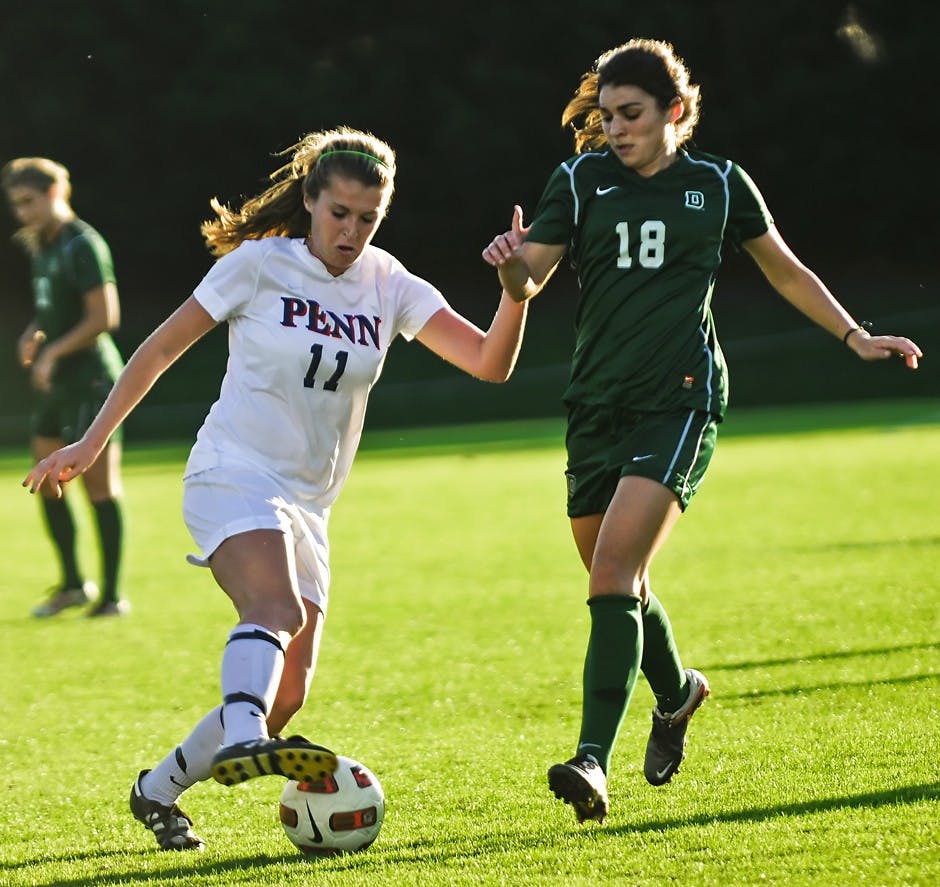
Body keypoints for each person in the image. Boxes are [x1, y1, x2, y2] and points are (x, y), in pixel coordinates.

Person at [24, 126, 527, 850]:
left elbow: (488, 362)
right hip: (232, 469)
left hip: (309, 503)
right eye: (339, 213)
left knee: (287, 692)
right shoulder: (259, 265)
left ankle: (157, 789)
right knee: (274, 610)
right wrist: (91, 441)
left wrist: (517, 294)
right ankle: (244, 735)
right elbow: (159, 349)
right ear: (311, 200)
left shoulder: (390, 283)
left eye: (368, 218)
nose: (351, 231)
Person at [482, 38, 922, 824]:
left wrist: (855, 335)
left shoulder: (718, 184)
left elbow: (784, 267)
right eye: (608, 114)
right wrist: (510, 264)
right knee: (620, 581)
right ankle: (679, 692)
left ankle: (591, 759)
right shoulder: (580, 181)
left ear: (675, 111)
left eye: (632, 113)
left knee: (611, 574)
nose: (616, 127)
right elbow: (531, 276)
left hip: (681, 399)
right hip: (596, 404)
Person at [3, 157, 129, 618]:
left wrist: (53, 352)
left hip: (93, 380)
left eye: (29, 201)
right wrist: (35, 333)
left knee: (99, 485)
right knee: (45, 478)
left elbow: (104, 317)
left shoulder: (82, 244)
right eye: (16, 204)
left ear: (55, 193)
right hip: (60, 384)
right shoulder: (44, 245)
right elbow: (53, 307)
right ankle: (73, 584)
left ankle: (111, 597)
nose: (23, 212)